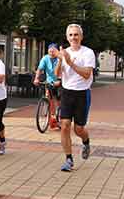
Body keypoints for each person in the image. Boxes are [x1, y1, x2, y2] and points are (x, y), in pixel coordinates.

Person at [54, 24, 95, 172]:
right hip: (67, 92)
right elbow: (57, 74)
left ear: (81, 37)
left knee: (79, 129)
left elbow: (86, 74)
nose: (73, 38)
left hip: (82, 93)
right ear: (67, 37)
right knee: (64, 126)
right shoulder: (64, 53)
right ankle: (68, 159)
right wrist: (60, 60)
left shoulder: (88, 53)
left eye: (76, 35)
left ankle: (86, 141)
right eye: (71, 35)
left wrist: (70, 62)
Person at [34, 43, 61, 128]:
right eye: (50, 51)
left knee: (58, 101)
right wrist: (36, 78)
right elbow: (40, 69)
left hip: (60, 81)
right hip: (49, 82)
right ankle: (51, 117)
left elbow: (65, 70)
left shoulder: (60, 58)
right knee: (48, 97)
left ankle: (59, 115)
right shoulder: (45, 58)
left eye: (53, 51)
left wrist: (60, 80)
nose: (51, 53)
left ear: (57, 51)